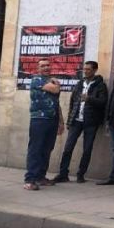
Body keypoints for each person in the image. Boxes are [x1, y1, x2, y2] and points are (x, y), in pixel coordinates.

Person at [52, 61, 107, 183]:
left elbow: (103, 102)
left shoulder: (100, 85)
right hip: (76, 121)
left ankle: (81, 174)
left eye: (88, 69)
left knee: (87, 149)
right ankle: (63, 173)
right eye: (84, 69)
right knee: (68, 148)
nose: (85, 71)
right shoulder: (80, 83)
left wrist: (89, 99)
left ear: (94, 70)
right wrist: (69, 120)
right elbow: (72, 102)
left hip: (91, 122)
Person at [24, 59, 65, 191]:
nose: (46, 68)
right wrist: (56, 82)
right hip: (39, 120)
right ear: (38, 68)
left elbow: (56, 103)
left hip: (52, 120)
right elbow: (55, 89)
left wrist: (61, 122)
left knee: (47, 149)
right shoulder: (37, 80)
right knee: (36, 149)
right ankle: (30, 179)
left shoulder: (50, 80)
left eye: (48, 65)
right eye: (43, 66)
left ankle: (40, 176)